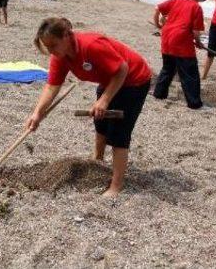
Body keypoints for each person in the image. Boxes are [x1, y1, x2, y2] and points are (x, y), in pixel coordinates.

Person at [25, 18, 152, 197]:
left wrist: (105, 100)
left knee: (118, 135)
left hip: (134, 79)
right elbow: (52, 86)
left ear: (67, 36)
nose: (51, 51)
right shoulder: (59, 56)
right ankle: (98, 159)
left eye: (53, 45)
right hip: (108, 78)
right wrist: (37, 113)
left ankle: (116, 186)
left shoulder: (91, 45)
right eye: (48, 47)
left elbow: (122, 69)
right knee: (100, 122)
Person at [152, 0, 207, 109]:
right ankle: (194, 103)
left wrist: (159, 26)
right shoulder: (196, 7)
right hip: (181, 43)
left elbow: (157, 8)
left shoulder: (177, 0)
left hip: (167, 38)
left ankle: (159, 94)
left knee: (168, 69)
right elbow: (195, 31)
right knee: (189, 74)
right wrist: (198, 43)